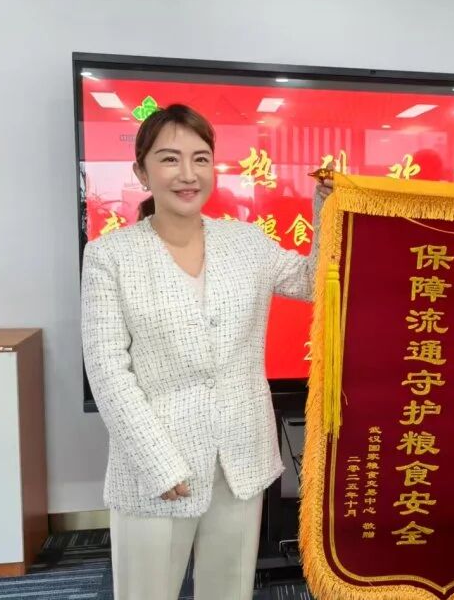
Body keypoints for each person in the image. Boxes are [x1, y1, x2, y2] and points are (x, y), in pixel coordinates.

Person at [80, 103, 328, 600]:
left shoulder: (246, 243)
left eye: (201, 159)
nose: (188, 174)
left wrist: (324, 209)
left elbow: (312, 282)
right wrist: (157, 461)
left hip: (241, 456)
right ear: (141, 171)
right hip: (155, 463)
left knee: (229, 590)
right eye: (170, 159)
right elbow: (108, 371)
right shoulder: (111, 255)